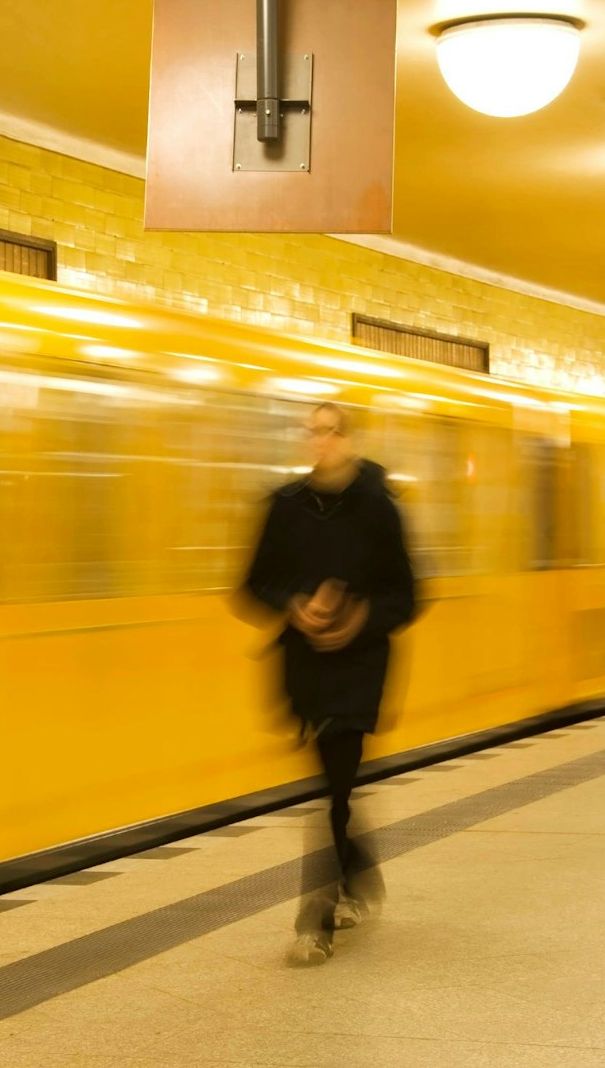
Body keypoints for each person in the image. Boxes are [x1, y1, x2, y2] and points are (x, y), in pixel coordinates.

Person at [238, 402, 418, 966]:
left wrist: (361, 617)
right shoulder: (285, 507)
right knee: (333, 787)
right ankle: (360, 879)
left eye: (330, 432)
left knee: (334, 788)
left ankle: (313, 923)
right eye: (311, 432)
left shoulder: (378, 508)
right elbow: (250, 585)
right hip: (305, 668)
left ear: (349, 438)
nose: (319, 442)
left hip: (359, 667)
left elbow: (408, 595)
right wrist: (294, 606)